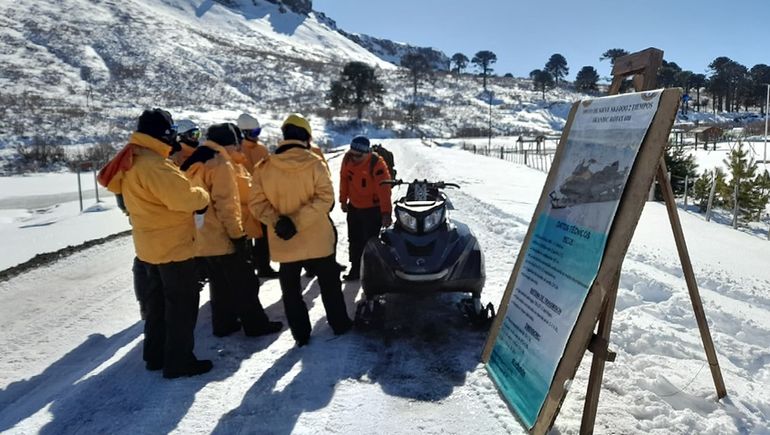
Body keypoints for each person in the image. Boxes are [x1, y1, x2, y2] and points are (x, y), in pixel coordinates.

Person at [98, 108, 212, 379]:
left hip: (149, 246)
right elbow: (184, 199)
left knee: (158, 304)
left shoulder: (134, 159)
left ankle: (155, 354)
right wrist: (202, 194)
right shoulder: (155, 165)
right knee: (181, 306)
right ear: (163, 133)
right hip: (173, 246)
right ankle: (179, 362)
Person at [249, 113, 352, 347]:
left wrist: (280, 222)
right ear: (306, 137)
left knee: (291, 291)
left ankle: (301, 335)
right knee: (330, 284)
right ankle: (340, 323)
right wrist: (297, 221)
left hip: (285, 241)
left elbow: (256, 204)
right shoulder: (315, 163)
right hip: (318, 239)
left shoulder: (264, 167)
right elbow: (326, 199)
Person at [181, 123, 282, 338]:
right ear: (229, 143)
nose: (238, 148)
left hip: (202, 233)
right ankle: (256, 325)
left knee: (219, 283)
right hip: (221, 234)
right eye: (236, 144)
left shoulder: (197, 158)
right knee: (245, 281)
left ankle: (223, 323)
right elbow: (226, 204)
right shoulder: (220, 162)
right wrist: (237, 235)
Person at [339, 135, 393, 281]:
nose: (354, 158)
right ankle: (355, 268)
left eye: (358, 155)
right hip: (354, 207)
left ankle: (373, 272)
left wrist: (386, 213)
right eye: (352, 154)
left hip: (372, 209)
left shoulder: (377, 164)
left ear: (367, 152)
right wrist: (343, 200)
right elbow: (344, 179)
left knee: (370, 242)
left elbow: (384, 190)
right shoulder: (347, 159)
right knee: (354, 240)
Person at [237, 113, 280, 279]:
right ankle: (248, 267)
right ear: (244, 132)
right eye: (254, 133)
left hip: (262, 197)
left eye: (258, 132)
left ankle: (263, 266)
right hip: (244, 200)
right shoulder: (237, 150)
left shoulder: (261, 149)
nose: (256, 136)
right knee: (246, 236)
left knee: (263, 234)